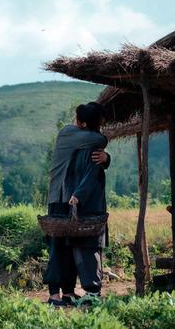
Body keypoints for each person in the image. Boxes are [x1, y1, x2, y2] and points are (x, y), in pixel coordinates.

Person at [43, 102, 111, 306]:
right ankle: (56, 294)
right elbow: (101, 138)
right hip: (60, 197)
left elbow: (94, 165)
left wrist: (106, 159)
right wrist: (105, 155)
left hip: (69, 198)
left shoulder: (86, 145)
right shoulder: (68, 133)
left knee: (68, 246)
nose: (73, 121)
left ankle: (68, 292)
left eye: (77, 118)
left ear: (82, 122)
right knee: (58, 246)